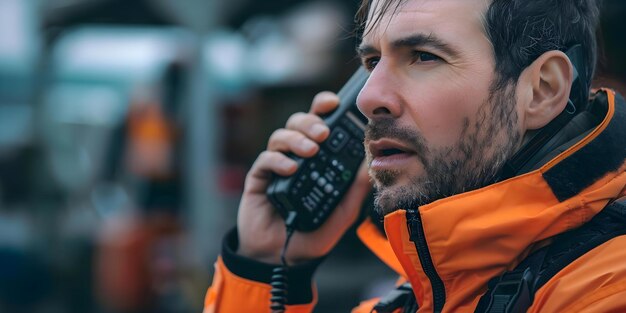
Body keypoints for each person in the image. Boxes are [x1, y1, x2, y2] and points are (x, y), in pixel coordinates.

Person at [204, 0, 626, 312]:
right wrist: (266, 265)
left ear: (543, 91)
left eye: (424, 56)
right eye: (371, 62)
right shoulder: (415, 297)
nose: (369, 98)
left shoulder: (607, 286)